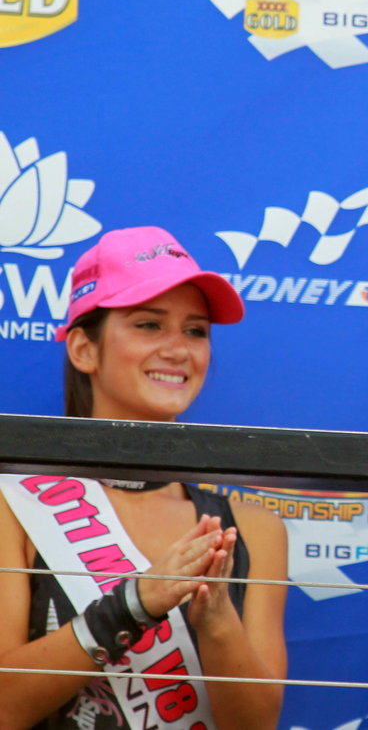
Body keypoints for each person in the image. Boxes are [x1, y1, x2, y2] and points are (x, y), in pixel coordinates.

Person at [0, 226, 288, 730]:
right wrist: (135, 604)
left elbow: (257, 725)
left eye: (195, 330)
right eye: (149, 325)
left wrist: (217, 624)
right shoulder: (12, 505)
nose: (179, 349)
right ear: (84, 349)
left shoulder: (251, 527)